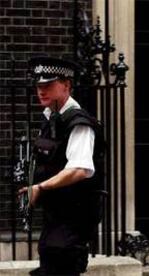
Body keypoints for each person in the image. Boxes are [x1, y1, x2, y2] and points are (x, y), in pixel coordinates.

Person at [19, 56, 104, 276]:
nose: (41, 91)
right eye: (39, 86)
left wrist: (40, 187)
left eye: (48, 85)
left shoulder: (79, 123)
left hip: (74, 217)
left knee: (59, 265)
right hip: (55, 216)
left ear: (66, 85)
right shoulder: (51, 118)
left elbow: (79, 169)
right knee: (49, 258)